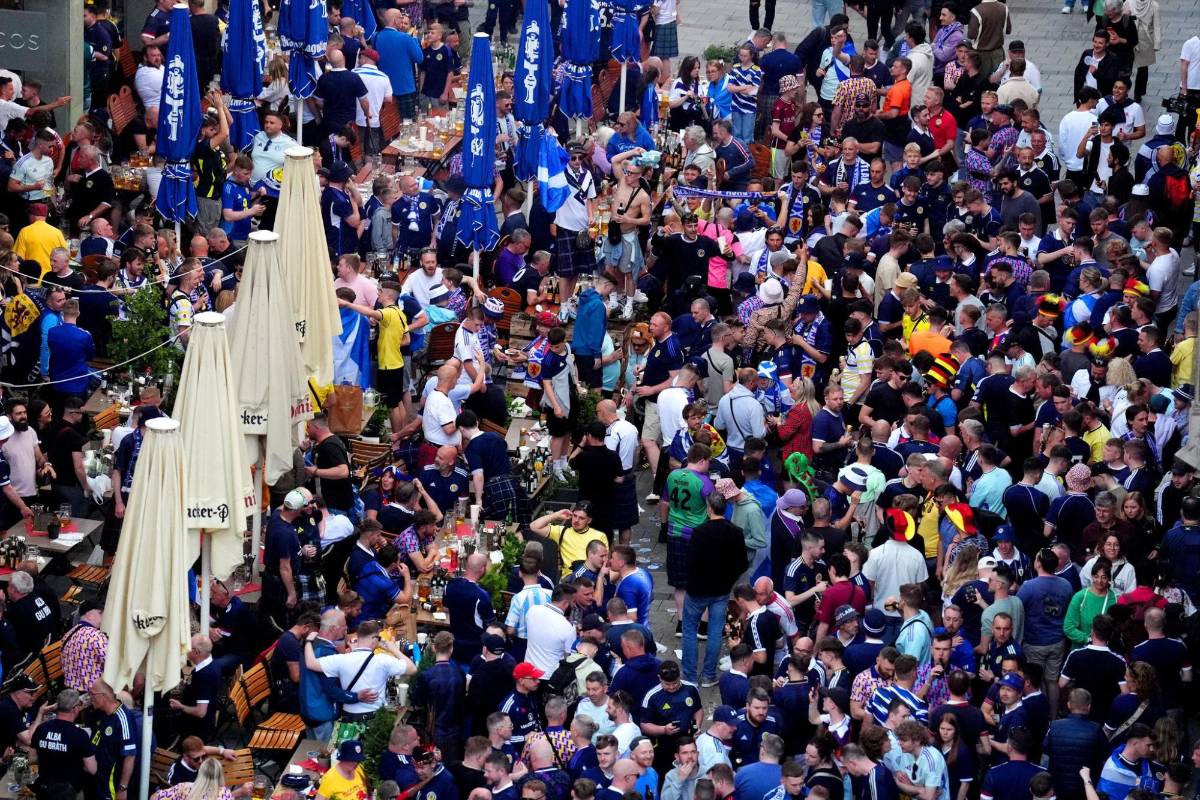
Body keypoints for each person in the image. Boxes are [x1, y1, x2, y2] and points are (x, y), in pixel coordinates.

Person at [302, 620, 417, 721]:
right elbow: (412, 669)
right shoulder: (382, 660)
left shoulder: (341, 659)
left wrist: (308, 642)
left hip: (348, 717)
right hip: (375, 716)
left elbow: (310, 663)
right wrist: (392, 648)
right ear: (374, 639)